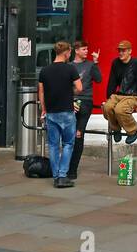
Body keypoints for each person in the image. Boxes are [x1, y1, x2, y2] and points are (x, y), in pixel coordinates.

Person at [37, 41, 82, 188]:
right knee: (68, 144)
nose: (70, 54)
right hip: (67, 112)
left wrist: (44, 109)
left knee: (53, 146)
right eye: (70, 52)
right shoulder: (71, 69)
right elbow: (79, 88)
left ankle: (56, 176)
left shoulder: (44, 71)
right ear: (66, 52)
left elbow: (41, 92)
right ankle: (63, 175)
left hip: (51, 113)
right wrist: (70, 92)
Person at [68, 40, 102, 179]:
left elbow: (99, 79)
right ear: (76, 50)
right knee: (69, 135)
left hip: (86, 102)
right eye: (83, 49)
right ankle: (66, 166)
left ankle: (73, 170)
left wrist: (95, 62)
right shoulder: (69, 66)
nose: (87, 51)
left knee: (79, 134)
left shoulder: (90, 65)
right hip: (70, 102)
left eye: (87, 49)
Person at [101, 40, 137, 144]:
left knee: (120, 110)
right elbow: (112, 81)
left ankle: (134, 129)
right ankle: (116, 129)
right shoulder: (115, 63)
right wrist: (108, 98)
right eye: (119, 51)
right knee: (107, 108)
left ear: (130, 51)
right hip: (119, 95)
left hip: (133, 95)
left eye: (123, 51)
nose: (121, 53)